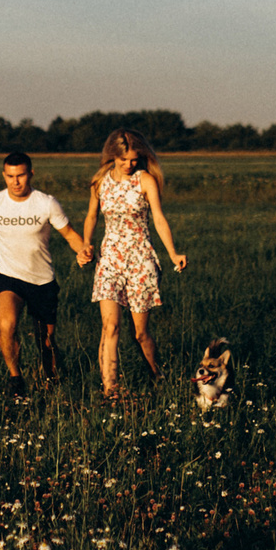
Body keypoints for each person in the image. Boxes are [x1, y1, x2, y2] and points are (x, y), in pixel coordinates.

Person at [0, 150, 91, 396]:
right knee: (7, 324)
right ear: (4, 175)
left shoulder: (46, 203)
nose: (16, 181)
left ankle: (52, 381)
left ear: (30, 174)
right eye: (10, 176)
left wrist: (83, 251)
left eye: (20, 175)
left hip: (42, 281)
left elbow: (69, 234)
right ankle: (15, 379)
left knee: (46, 342)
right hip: (8, 276)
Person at [81, 128, 186, 400]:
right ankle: (111, 392)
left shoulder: (146, 180)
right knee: (110, 326)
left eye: (134, 159)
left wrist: (173, 254)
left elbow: (159, 219)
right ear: (112, 156)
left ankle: (158, 376)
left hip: (141, 259)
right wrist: (85, 244)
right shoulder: (100, 182)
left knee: (140, 333)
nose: (129, 165)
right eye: (124, 159)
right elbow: (91, 216)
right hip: (110, 259)